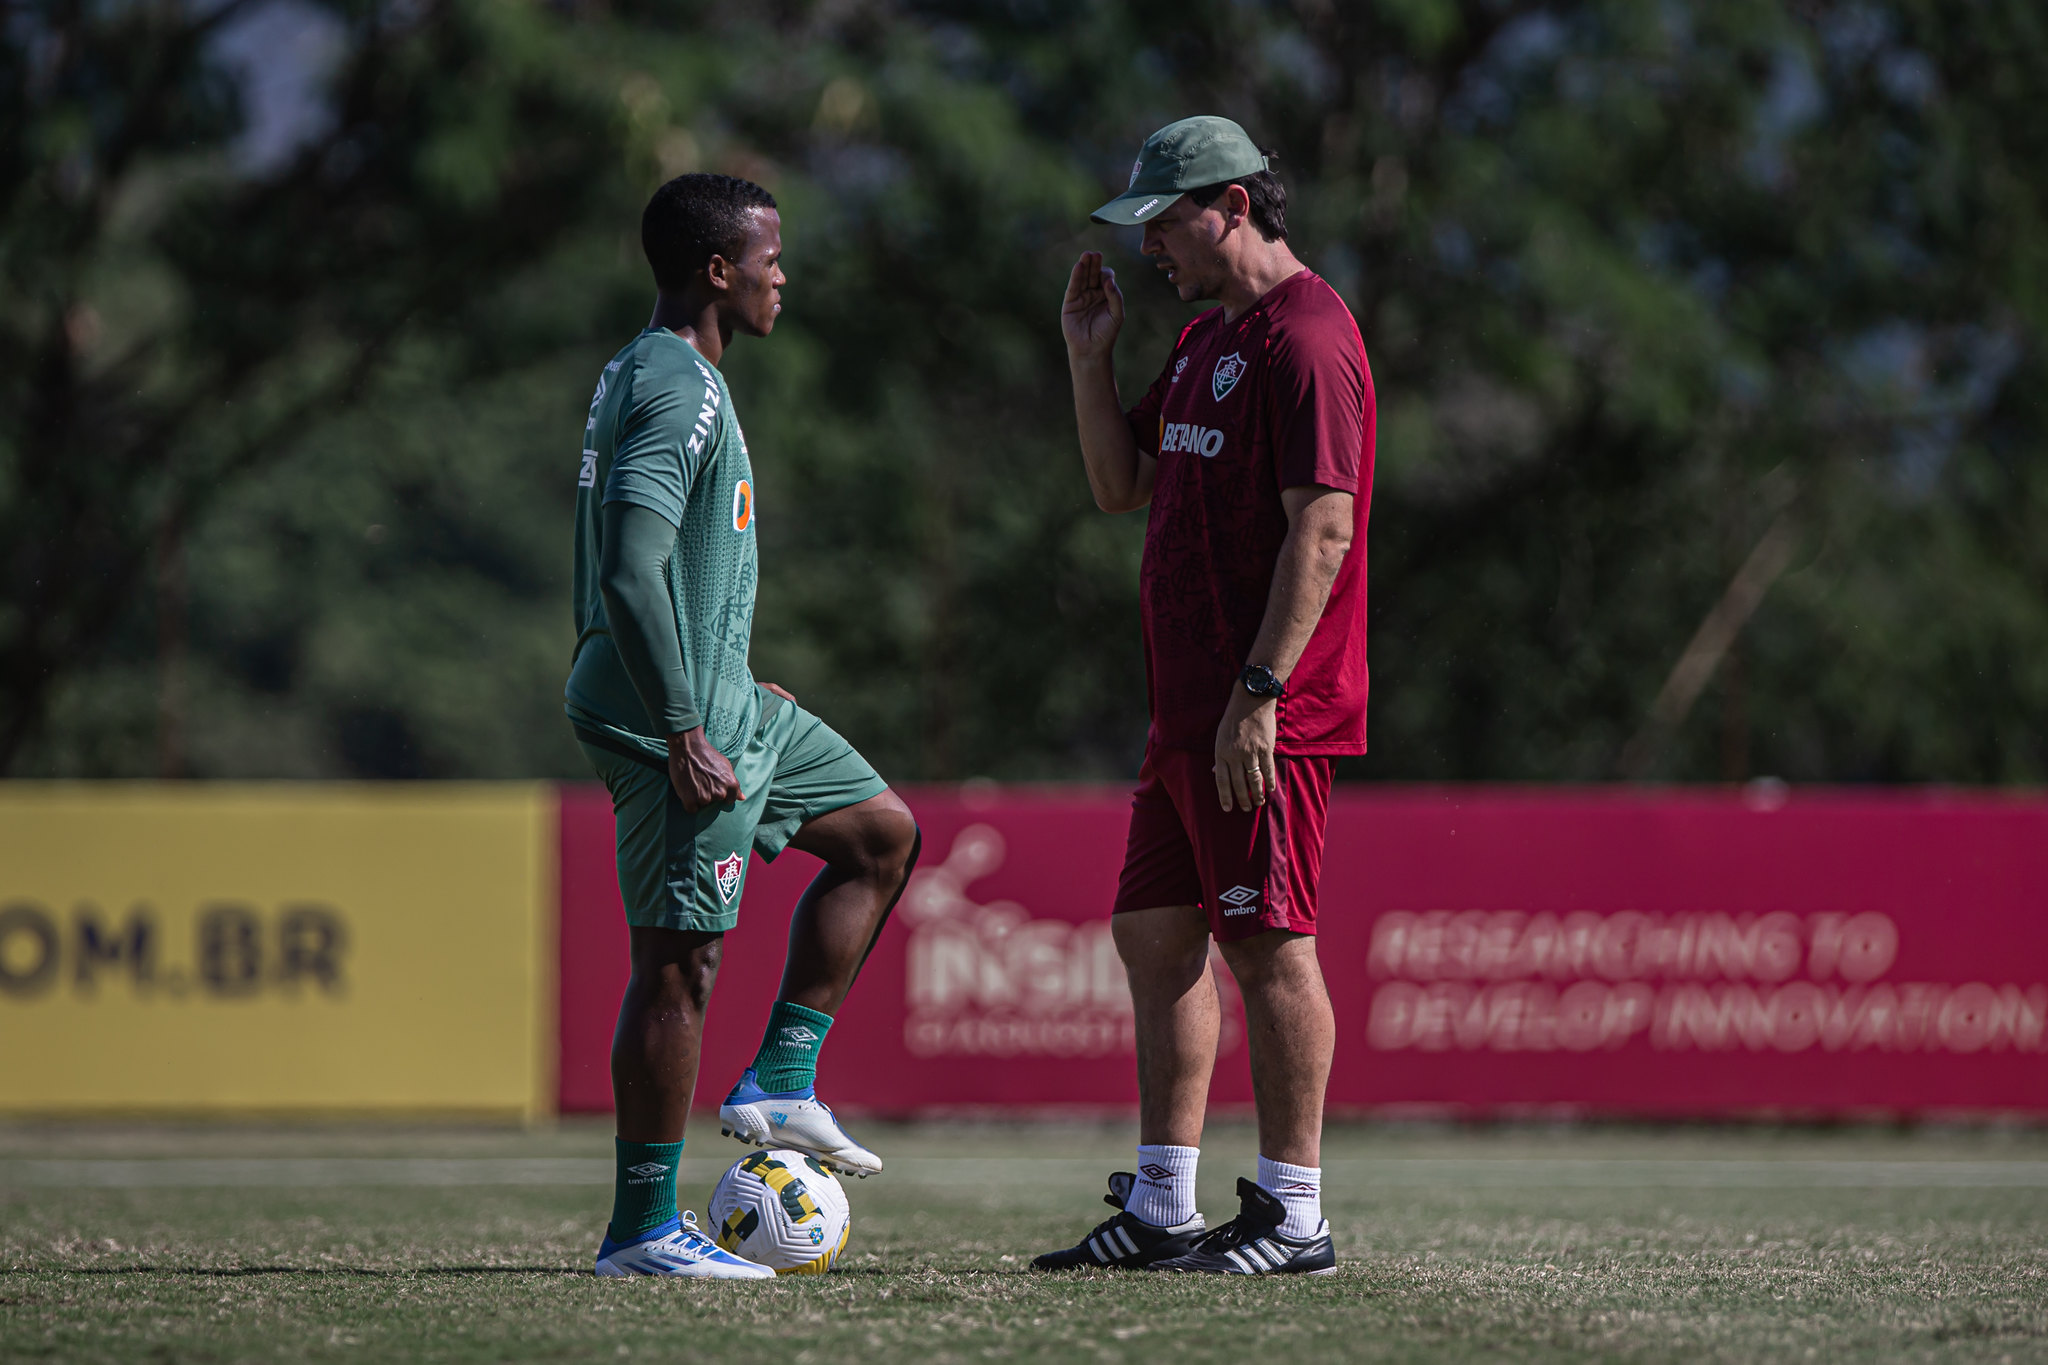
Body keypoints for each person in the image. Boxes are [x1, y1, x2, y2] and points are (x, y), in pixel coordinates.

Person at [1032, 118, 1374, 1277]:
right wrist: (1090, 356)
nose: (1149, 249)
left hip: (1260, 713)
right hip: (1185, 714)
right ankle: (1164, 1204)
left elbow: (1320, 530)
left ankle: (1294, 1216)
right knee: (1151, 932)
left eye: (1164, 223)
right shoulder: (1199, 339)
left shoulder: (1309, 338)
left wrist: (1258, 693)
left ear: (1228, 204)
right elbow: (1117, 486)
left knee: (1269, 944)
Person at [566, 173, 920, 1278]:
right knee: (679, 968)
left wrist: (731, 683)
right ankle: (639, 1231)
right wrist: (679, 726)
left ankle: (782, 1075)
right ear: (720, 270)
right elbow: (628, 569)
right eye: (771, 257)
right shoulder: (681, 384)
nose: (783, 274)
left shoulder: (666, 371)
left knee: (880, 837)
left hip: (729, 701)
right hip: (665, 718)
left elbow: (677, 570)